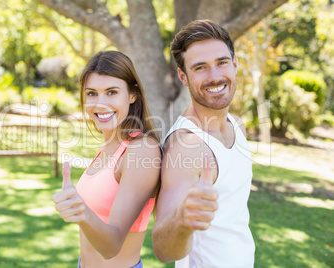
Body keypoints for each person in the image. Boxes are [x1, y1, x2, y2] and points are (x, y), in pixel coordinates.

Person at [152, 20, 255, 267]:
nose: (215, 76)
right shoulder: (187, 145)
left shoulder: (236, 125)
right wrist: (182, 218)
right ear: (183, 77)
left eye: (222, 62)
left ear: (235, 64)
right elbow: (163, 250)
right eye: (200, 67)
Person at [52, 50, 161, 268]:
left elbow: (112, 246)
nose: (100, 103)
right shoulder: (110, 145)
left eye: (111, 92)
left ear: (132, 95)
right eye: (92, 93)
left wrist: (82, 212)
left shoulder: (142, 150)